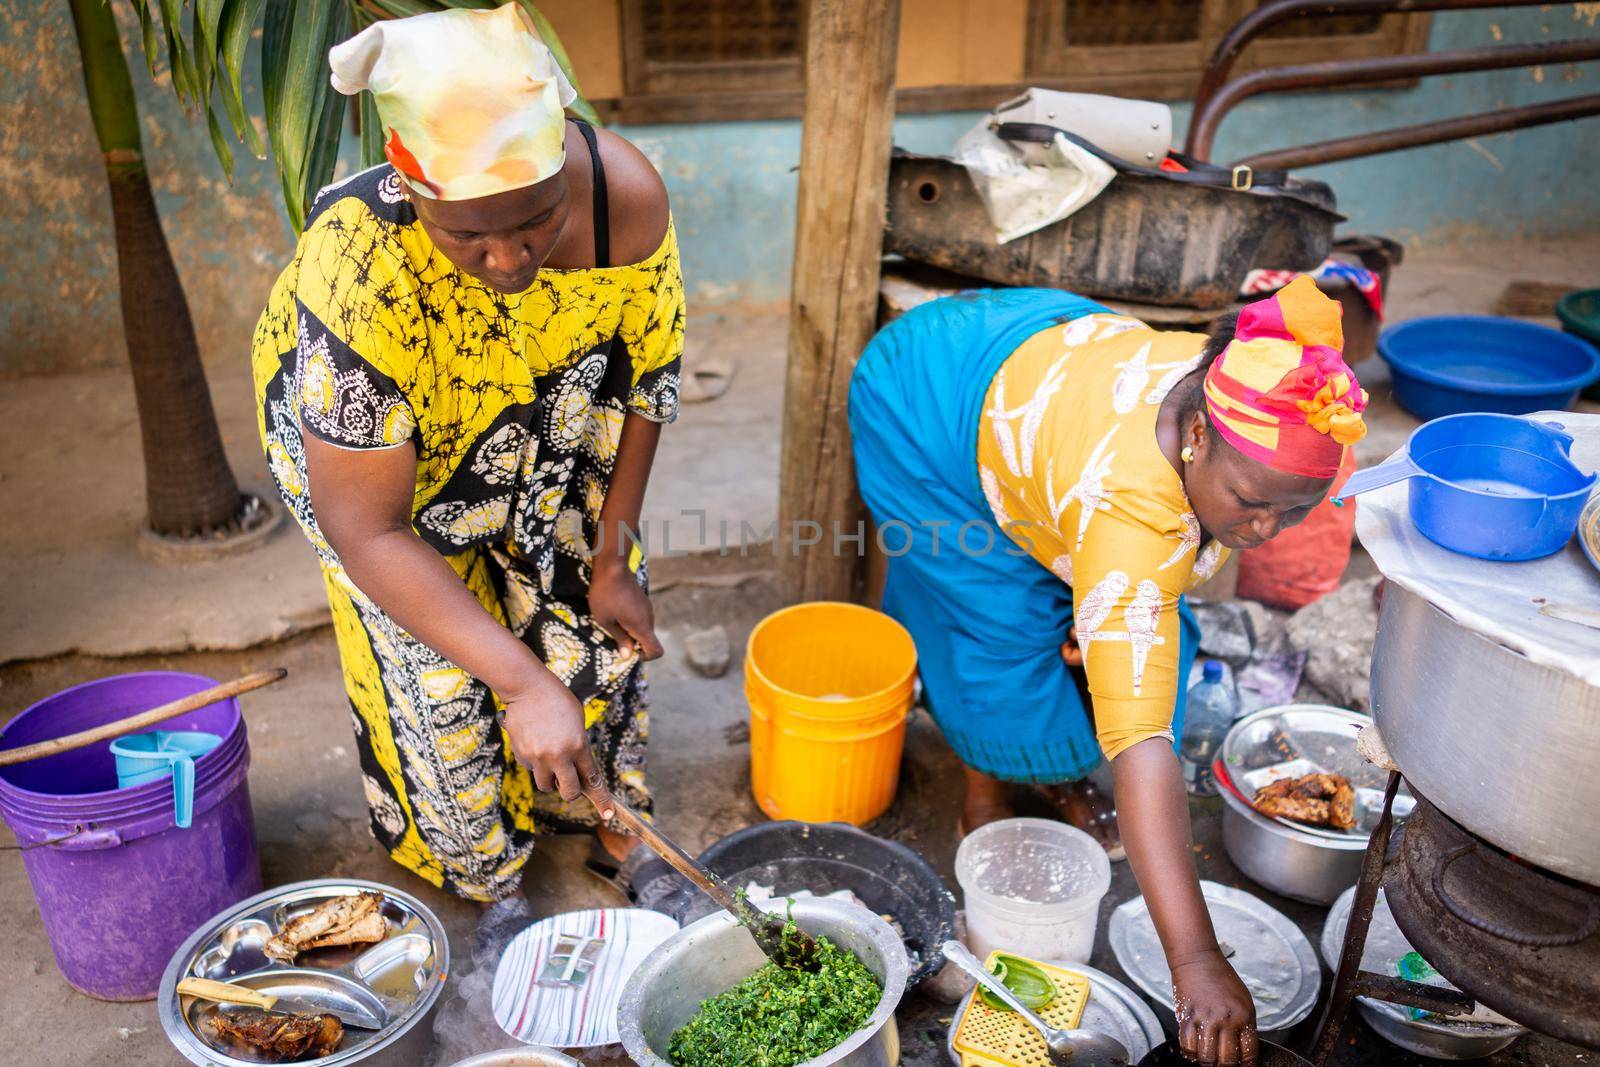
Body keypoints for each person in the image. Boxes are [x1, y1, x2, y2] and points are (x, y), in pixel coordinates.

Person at [849, 277, 1365, 1066]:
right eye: (1252, 503)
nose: (1264, 530)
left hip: (1033, 368)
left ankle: (1036, 765)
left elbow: (1142, 591)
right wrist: (1194, 959)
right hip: (927, 408)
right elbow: (1144, 742)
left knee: (1145, 636)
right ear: (1196, 432)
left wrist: (1103, 610)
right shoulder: (1129, 513)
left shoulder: (1229, 387)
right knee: (999, 633)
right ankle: (983, 792)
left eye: (1294, 512)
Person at [250, 3, 683, 903]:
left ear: (565, 164)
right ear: (416, 197)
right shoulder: (360, 265)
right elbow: (368, 528)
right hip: (376, 467)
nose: (506, 257)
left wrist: (612, 555)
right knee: (444, 683)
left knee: (585, 614)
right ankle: (482, 855)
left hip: (545, 405)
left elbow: (645, 382)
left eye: (533, 222)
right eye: (467, 237)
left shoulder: (623, 202)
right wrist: (520, 684)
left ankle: (583, 800)